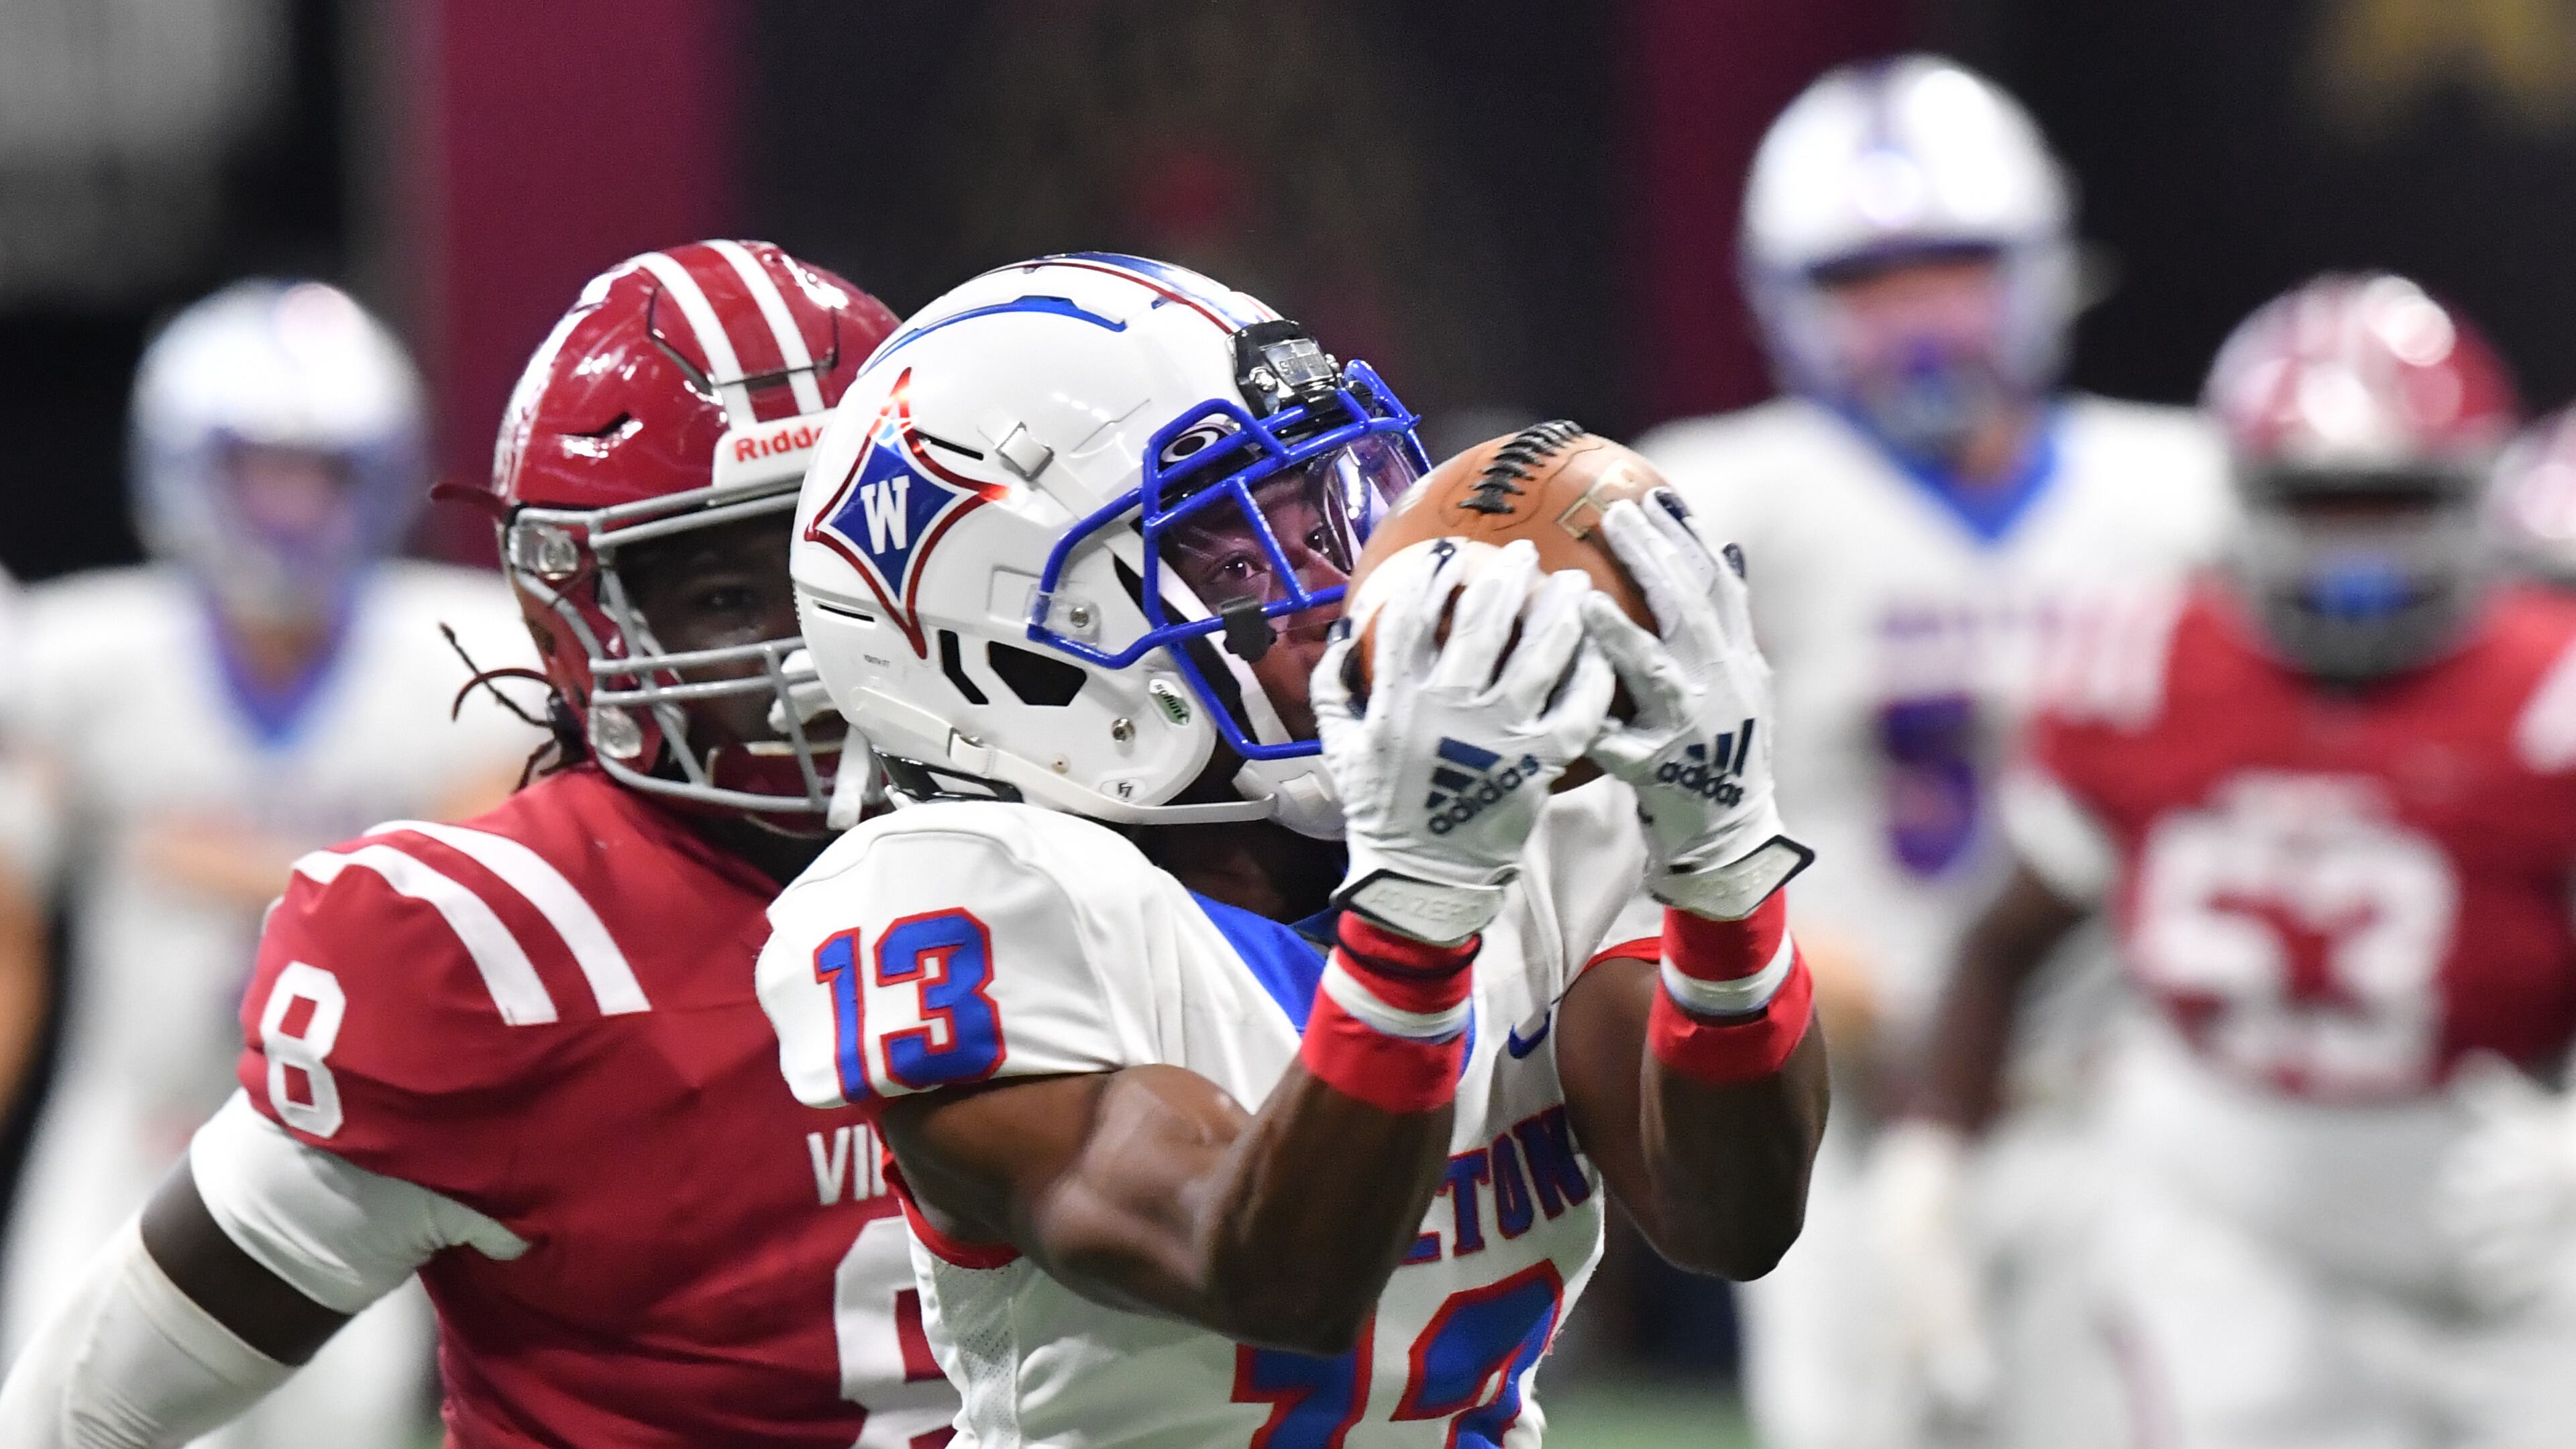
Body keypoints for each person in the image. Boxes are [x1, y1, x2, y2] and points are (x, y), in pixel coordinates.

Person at [755, 253, 1830, 1447]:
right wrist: (1419, 910)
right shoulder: (967, 891)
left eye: (1330, 505)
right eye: (1232, 550)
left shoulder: (1524, 818)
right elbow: (1272, 1277)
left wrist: (1724, 872)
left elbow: (1730, 1222)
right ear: (1015, 647)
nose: (1337, 582)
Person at [0, 241, 963, 1448]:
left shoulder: (1105, 837)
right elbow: (78, 1414)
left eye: (838, 565)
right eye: (725, 597)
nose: (805, 653)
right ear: (580, 614)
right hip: (139, 1111)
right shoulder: (479, 951)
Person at [1633, 55, 2234, 1449]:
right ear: (1782, 301)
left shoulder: (2185, 498)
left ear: (2036, 268)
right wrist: (1733, 951)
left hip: (2129, 1117)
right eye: (1863, 282)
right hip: (1852, 1126)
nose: (1914, 322)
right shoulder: (1721, 499)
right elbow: (1605, 811)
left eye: (1950, 270)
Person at [1912, 273, 2576, 1448]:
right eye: (2321, 507)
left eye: (2390, 505)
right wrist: (1928, 1175)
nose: (2353, 554)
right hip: (2236, 1193)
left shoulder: (2548, 690)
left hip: (2496, 1185)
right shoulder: (2144, 666)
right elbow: (2004, 940)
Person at [0, 278, 540, 1447]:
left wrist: (232, 865)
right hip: (131, 1127)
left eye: (323, 474)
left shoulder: (470, 656)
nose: (291, 511)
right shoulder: (74, 662)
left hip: (346, 1138)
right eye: (261, 470)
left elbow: (491, 893)